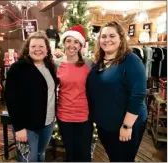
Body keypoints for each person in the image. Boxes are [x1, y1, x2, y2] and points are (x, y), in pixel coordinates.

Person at [86, 21, 148, 162]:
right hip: (105, 124)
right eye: (104, 36)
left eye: (112, 36)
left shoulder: (131, 61)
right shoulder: (100, 61)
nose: (107, 40)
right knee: (114, 157)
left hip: (126, 124)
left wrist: (127, 125)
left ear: (121, 38)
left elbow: (138, 94)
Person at [4, 31, 57, 162]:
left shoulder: (50, 66)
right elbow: (11, 99)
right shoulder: (18, 68)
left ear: (47, 49)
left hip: (48, 123)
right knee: (28, 159)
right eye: (33, 46)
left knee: (40, 154)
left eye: (41, 46)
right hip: (27, 126)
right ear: (28, 49)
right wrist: (19, 127)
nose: (37, 50)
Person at [55, 24, 93, 162]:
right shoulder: (57, 64)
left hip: (84, 116)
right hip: (64, 115)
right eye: (69, 41)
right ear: (64, 43)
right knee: (70, 153)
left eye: (76, 42)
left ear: (81, 45)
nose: (72, 45)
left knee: (84, 154)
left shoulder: (89, 63)